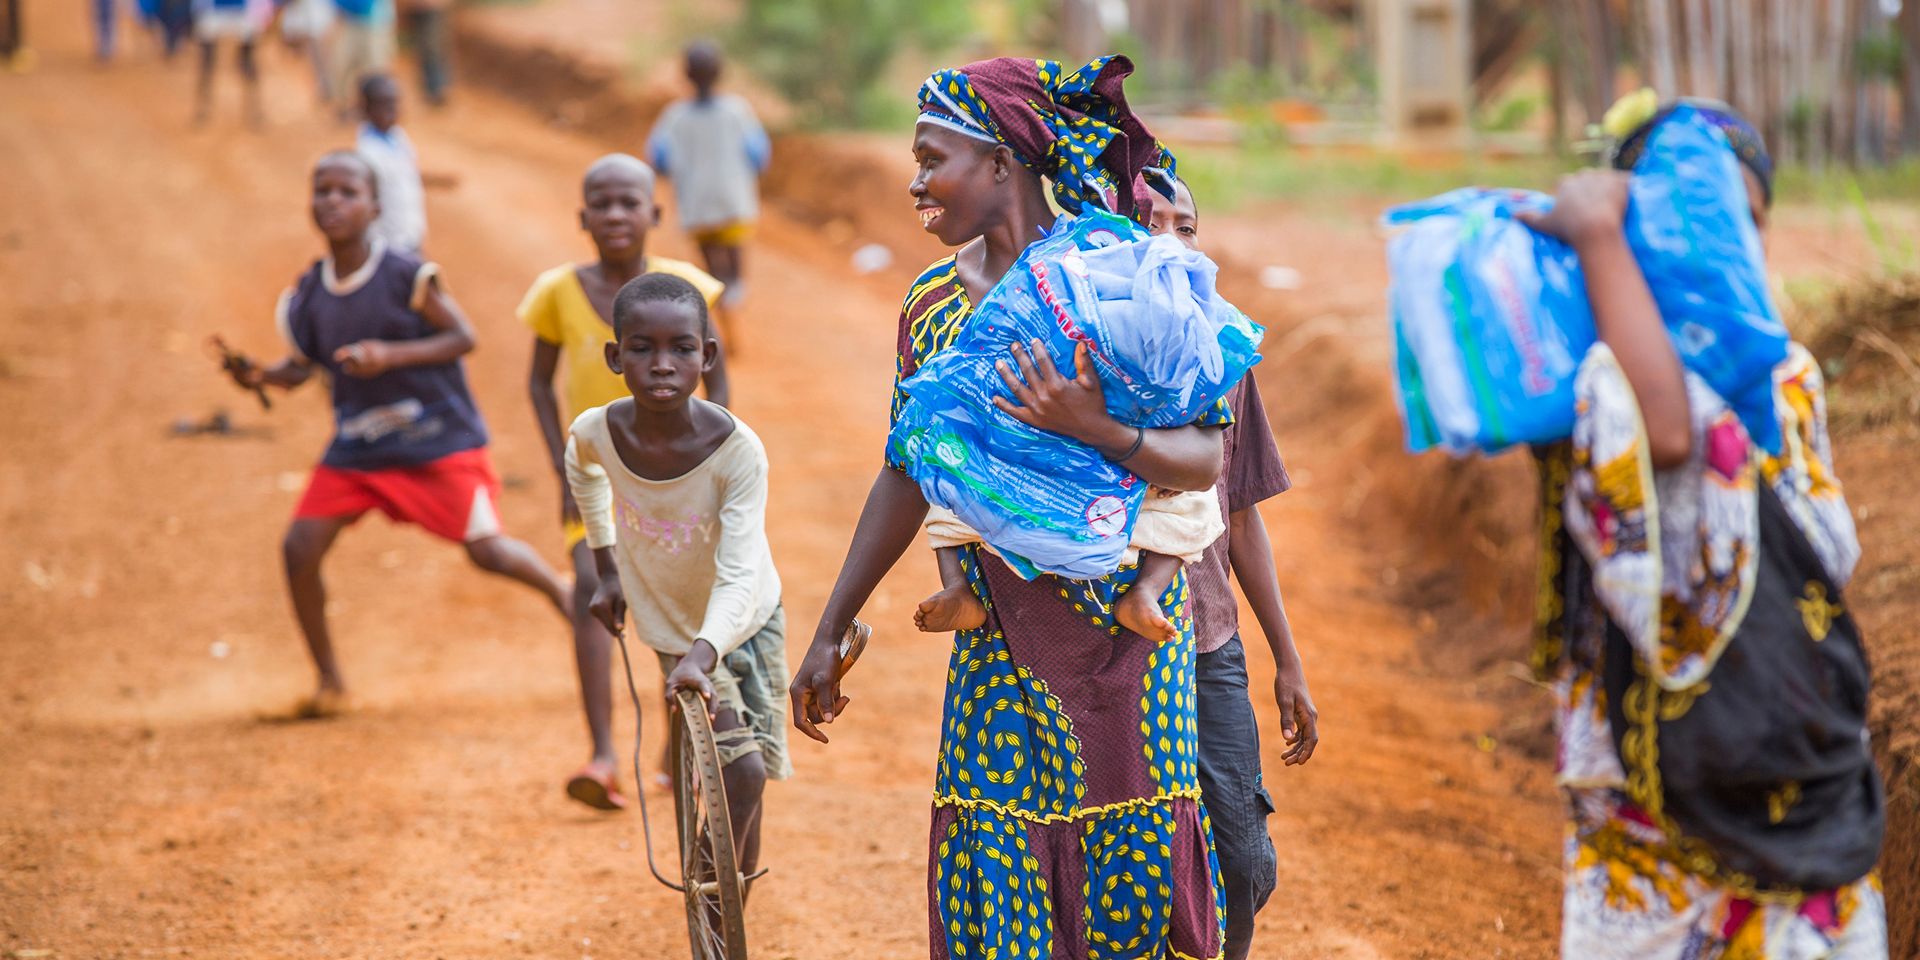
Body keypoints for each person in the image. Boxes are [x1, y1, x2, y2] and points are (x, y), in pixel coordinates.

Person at [790, 55, 1229, 960]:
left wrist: (1097, 428)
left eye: (930, 157)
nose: (915, 181)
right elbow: (905, 471)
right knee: (1001, 891)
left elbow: (1205, 457)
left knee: (1130, 894)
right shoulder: (930, 307)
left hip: (1129, 648)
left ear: (999, 162)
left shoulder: (1119, 275)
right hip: (997, 644)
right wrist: (831, 627)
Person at [1516, 97, 1887, 958]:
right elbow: (1665, 443)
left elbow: (1694, 456)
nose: (1723, 243)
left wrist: (1599, 238)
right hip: (1655, 796)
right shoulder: (1588, 373)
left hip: (1776, 749)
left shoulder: (1784, 376)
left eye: (1745, 223)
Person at [224, 151, 570, 717]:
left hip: (437, 439)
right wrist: (259, 375)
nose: (333, 201)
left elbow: (462, 336)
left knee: (487, 552)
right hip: (361, 448)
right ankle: (330, 680)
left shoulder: (406, 275)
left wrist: (389, 355)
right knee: (299, 547)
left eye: (347, 191)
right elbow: (303, 367)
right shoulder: (307, 296)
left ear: (374, 206)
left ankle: (564, 593)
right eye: (323, 190)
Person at [1142, 173, 1320, 960]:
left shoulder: (1225, 354)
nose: (1176, 242)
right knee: (1137, 867)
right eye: (1154, 222)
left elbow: (1240, 516)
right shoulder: (1086, 351)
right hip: (1118, 648)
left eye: (1189, 226)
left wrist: (1286, 661)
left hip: (1210, 640)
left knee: (1241, 864)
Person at [522, 153, 731, 810]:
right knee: (591, 585)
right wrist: (562, 458)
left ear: (655, 214)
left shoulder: (684, 285)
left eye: (629, 203)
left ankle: (675, 752)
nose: (615, 215)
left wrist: (718, 460)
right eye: (602, 204)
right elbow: (536, 380)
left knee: (679, 604)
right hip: (597, 478)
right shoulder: (558, 291)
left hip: (678, 479)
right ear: (582, 216)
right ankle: (604, 754)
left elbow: (718, 377)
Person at [566, 272, 787, 877]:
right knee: (737, 770)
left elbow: (741, 572)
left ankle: (726, 904)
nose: (662, 364)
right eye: (642, 349)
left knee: (753, 775)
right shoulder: (597, 432)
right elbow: (581, 470)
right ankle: (713, 897)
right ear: (616, 356)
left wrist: (706, 651)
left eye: (681, 349)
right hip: (671, 625)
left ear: (706, 356)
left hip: (748, 619)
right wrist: (607, 569)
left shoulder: (737, 451)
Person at [645, 40, 769, 321]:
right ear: (720, 72)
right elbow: (759, 154)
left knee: (710, 261)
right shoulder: (737, 110)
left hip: (695, 204)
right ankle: (734, 297)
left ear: (686, 74)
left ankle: (719, 302)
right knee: (735, 255)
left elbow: (659, 159)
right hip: (733, 200)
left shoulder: (675, 117)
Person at [355, 74, 425, 253]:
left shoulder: (398, 136)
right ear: (365, 108)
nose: (391, 110)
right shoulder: (367, 155)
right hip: (387, 247)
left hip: (411, 237)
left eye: (394, 103)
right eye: (383, 104)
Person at [191, 0, 271, 125]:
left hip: (242, 12)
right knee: (207, 63)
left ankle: (254, 110)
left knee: (247, 61)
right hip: (214, 11)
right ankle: (202, 108)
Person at [329, 0, 393, 119]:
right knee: (342, 65)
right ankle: (346, 106)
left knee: (374, 70)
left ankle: (374, 110)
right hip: (350, 21)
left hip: (375, 22)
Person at [398, 0, 449, 106]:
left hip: (431, 8)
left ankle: (437, 87)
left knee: (431, 48)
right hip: (420, 9)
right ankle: (433, 88)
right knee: (426, 49)